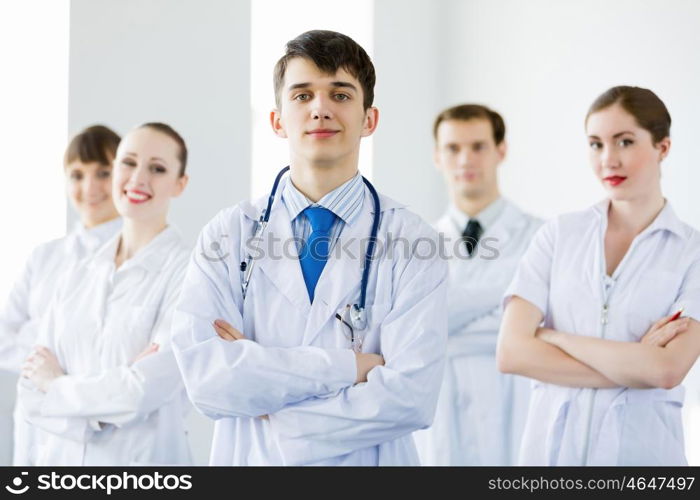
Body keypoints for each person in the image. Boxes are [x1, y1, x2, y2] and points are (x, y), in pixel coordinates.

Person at [172, 30, 448, 466]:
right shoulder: (227, 234)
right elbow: (208, 382)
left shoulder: (414, 242)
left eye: (340, 94)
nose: (320, 109)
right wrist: (350, 369)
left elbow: (411, 396)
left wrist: (266, 395)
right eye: (302, 96)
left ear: (369, 119)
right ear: (277, 120)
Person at [497, 86, 700, 465]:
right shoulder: (558, 236)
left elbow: (668, 369)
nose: (608, 159)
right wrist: (635, 365)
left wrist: (554, 337)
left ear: (663, 148)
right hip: (552, 458)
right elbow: (512, 353)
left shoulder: (691, 253)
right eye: (595, 144)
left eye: (624, 142)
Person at [17, 123, 192, 465]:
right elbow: (29, 392)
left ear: (180, 184)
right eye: (128, 163)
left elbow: (143, 391)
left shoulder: (188, 274)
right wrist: (109, 402)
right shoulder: (76, 273)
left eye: (157, 168)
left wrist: (55, 387)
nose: (138, 179)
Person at [413, 104, 541, 465]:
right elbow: (414, 330)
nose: (465, 159)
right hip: (440, 416)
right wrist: (508, 296)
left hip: (516, 404)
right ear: (438, 157)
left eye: (478, 146)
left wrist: (444, 316)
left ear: (501, 150)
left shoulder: (541, 238)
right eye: (453, 148)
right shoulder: (415, 245)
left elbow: (541, 329)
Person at [0, 125, 122, 465]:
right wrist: (45, 360)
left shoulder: (134, 255)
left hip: (103, 433)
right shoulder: (44, 256)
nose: (90, 187)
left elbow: (119, 359)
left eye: (103, 172)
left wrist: (60, 369)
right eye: (77, 175)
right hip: (35, 431)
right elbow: (3, 339)